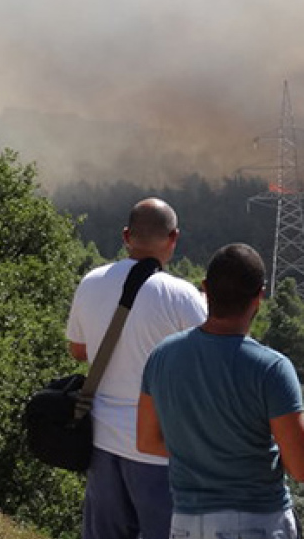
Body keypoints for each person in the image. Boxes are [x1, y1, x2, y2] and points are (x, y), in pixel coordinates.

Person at [137, 243, 304, 539]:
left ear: (204, 289)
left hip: (186, 523)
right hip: (258, 521)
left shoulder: (162, 356)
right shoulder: (271, 368)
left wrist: (199, 452)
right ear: (260, 296)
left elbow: (146, 441)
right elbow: (302, 469)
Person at [67, 197, 207, 539]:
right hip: (159, 450)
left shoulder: (91, 281)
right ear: (174, 238)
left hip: (101, 444)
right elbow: (209, 361)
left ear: (126, 235)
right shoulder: (182, 295)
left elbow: (78, 350)